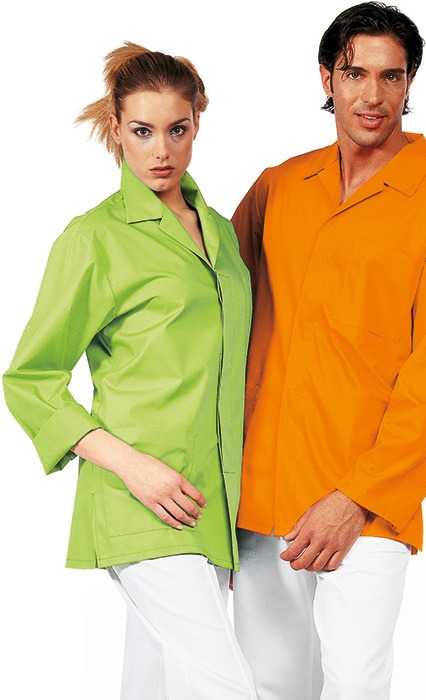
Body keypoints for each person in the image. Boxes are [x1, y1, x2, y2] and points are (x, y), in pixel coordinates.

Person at [230, 3, 426, 697]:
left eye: (390, 76)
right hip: (261, 497)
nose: (372, 95)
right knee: (268, 688)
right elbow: (216, 309)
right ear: (327, 78)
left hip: (367, 509)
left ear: (409, 83)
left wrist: (356, 498)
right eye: (354, 74)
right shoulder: (279, 185)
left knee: (356, 687)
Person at [3, 43, 256, 699]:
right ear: (116, 129)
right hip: (138, 498)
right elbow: (30, 379)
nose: (160, 151)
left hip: (211, 505)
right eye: (142, 131)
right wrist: (132, 466)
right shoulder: (95, 237)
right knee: (225, 686)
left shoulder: (221, 234)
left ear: (197, 123)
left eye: (177, 129)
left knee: (160, 683)